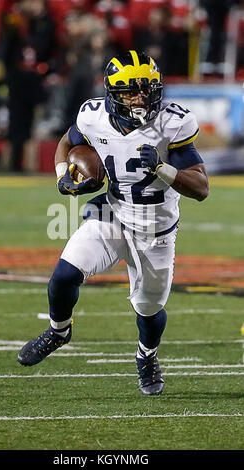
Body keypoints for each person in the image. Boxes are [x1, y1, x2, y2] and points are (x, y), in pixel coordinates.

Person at [17, 50, 209, 395]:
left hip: (155, 229)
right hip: (113, 213)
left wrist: (163, 168)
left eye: (147, 89)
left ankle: (146, 355)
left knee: (149, 310)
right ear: (113, 94)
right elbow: (68, 141)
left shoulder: (173, 122)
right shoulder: (93, 116)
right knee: (62, 278)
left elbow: (201, 188)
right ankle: (59, 331)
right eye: (131, 91)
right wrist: (63, 175)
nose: (141, 97)